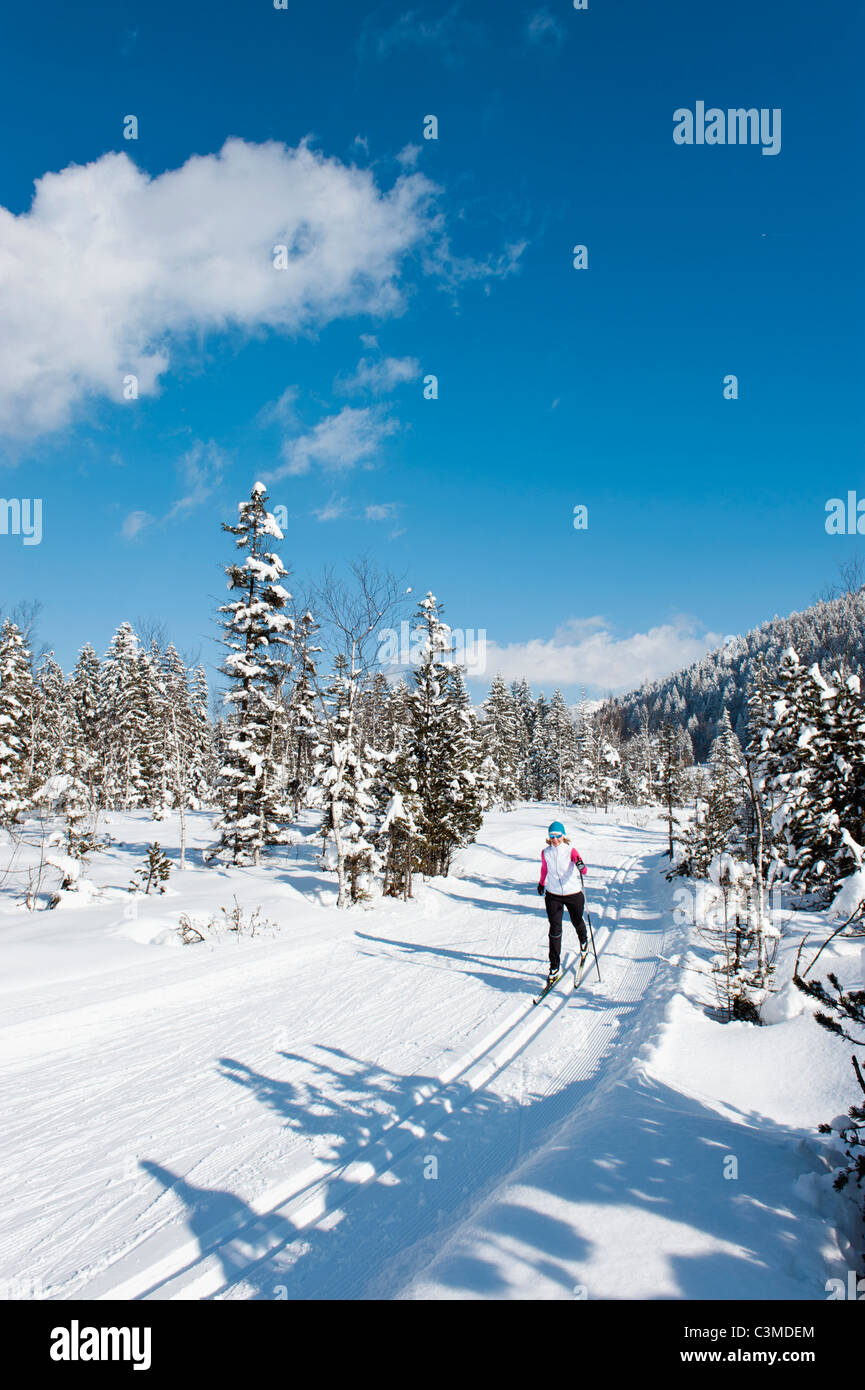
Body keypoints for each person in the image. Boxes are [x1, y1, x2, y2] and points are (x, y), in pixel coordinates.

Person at [537, 820, 587, 983]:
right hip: (553, 894)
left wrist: (580, 864)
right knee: (555, 929)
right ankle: (554, 967)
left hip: (573, 893)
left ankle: (584, 942)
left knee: (576, 920)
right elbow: (544, 869)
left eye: (558, 835)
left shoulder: (571, 850)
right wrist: (541, 883)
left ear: (563, 836)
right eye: (552, 836)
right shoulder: (546, 852)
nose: (555, 839)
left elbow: (584, 870)